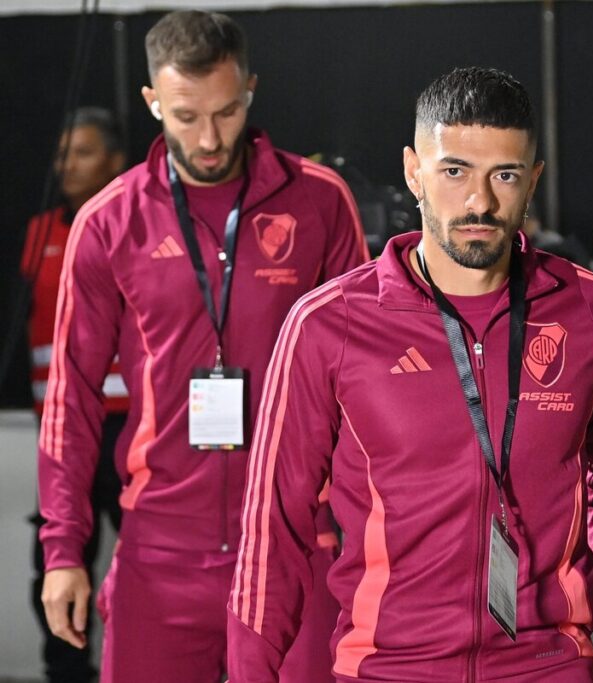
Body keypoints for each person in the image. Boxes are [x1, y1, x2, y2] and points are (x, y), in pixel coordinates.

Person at [227, 66, 593, 683]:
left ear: (533, 180)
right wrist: (250, 673)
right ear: (414, 171)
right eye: (454, 171)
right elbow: (274, 523)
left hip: (548, 666)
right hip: (390, 668)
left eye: (504, 175)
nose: (479, 201)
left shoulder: (592, 310)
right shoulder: (329, 324)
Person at [37, 11, 368, 683]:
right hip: (160, 549)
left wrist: (367, 540)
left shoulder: (318, 202)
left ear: (249, 88)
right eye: (186, 117)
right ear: (153, 102)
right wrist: (63, 549)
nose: (210, 139)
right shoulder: (110, 221)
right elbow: (71, 396)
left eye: (226, 111)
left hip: (296, 543)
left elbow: (364, 384)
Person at [22, 107, 126, 683]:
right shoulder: (38, 232)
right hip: (61, 428)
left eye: (82, 152)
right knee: (57, 558)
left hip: (133, 425)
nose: (67, 165)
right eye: (63, 154)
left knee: (146, 557)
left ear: (114, 161)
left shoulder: (135, 227)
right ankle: (66, 672)